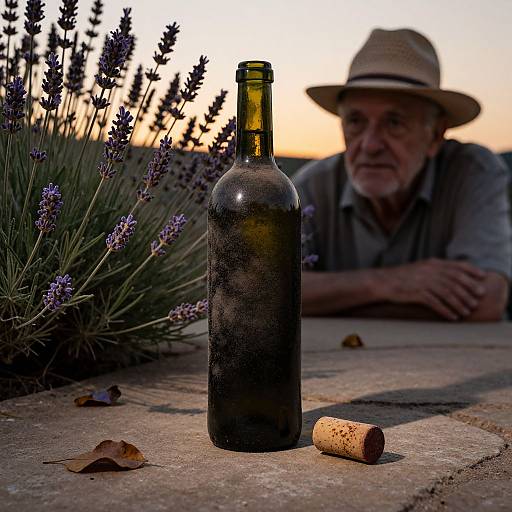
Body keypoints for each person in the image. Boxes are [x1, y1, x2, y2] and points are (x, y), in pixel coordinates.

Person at [293, 28, 511, 321]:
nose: (370, 145)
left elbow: (485, 300)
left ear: (435, 135)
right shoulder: (309, 188)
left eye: (394, 122)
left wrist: (328, 298)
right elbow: (265, 293)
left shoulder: (472, 172)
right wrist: (389, 283)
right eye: (355, 121)